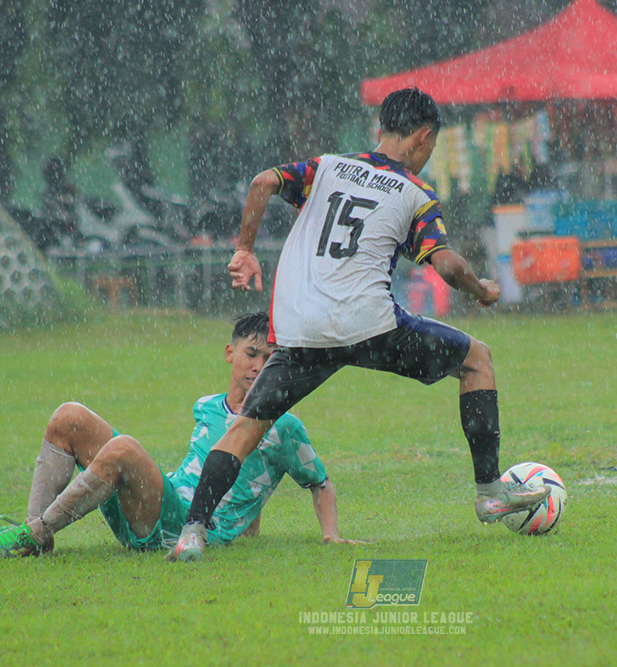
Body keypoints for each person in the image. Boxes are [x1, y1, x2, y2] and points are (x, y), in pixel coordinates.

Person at [170, 88, 549, 563]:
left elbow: (262, 181)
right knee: (476, 359)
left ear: (379, 131)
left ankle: (192, 533)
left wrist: (244, 249)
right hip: (368, 325)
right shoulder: (414, 192)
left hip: (300, 327)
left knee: (246, 427)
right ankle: (490, 491)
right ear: (424, 137)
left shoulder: (326, 167)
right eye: (431, 148)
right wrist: (482, 289)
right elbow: (449, 267)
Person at [0, 312, 361, 559]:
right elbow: (229, 466)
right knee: (68, 416)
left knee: (123, 448)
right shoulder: (207, 405)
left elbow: (320, 483)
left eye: (270, 358)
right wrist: (252, 518)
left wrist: (331, 536)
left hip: (184, 529)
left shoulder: (285, 426)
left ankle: (35, 535)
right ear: (230, 353)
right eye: (252, 353)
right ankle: (32, 527)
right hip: (158, 503)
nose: (259, 365)